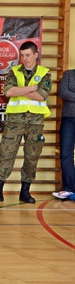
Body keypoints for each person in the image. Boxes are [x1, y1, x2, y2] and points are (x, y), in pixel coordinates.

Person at [0, 41, 51, 203]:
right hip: (14, 121)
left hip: (35, 122)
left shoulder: (44, 73)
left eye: (28, 55)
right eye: (22, 56)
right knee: (6, 154)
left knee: (32, 156)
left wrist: (19, 91)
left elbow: (41, 96)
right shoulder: (13, 72)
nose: (24, 58)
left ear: (36, 55)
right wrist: (32, 88)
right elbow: (8, 91)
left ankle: (25, 191)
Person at [55, 68, 75, 200]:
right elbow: (63, 92)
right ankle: (69, 188)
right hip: (69, 119)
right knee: (66, 153)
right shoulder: (69, 74)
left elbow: (68, 93)